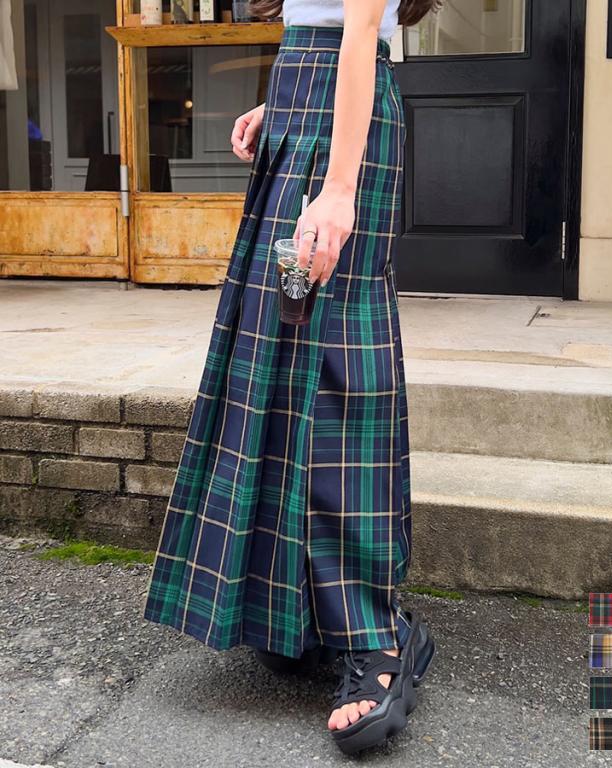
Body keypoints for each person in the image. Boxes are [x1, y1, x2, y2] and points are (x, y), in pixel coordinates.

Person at [143, 0, 441, 754]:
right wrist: (280, 101)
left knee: (337, 358)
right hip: (306, 111)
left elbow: (361, 30)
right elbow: (325, 26)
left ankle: (377, 635)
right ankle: (297, 608)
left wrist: (338, 189)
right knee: (281, 343)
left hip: (339, 133)